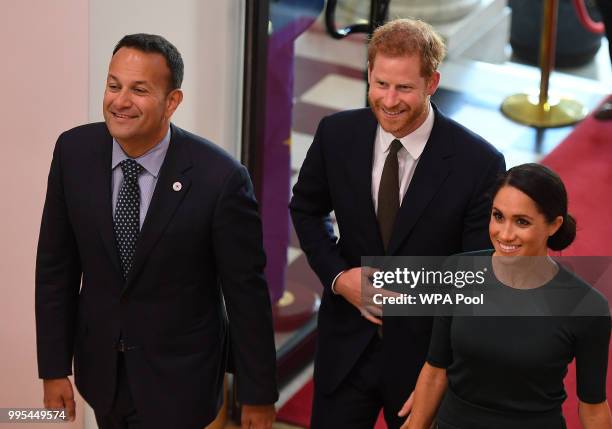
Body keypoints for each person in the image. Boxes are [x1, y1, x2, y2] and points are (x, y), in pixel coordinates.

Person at [35, 34, 278, 429]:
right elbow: (55, 269)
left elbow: (246, 294)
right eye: (114, 86)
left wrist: (257, 394)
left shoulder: (221, 179)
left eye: (139, 90)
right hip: (102, 376)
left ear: (172, 101)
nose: (120, 101)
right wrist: (53, 367)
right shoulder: (72, 153)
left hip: (182, 382)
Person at [289, 18, 505, 428]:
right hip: (346, 348)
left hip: (426, 363)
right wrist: (339, 278)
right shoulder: (337, 134)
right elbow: (305, 209)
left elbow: (477, 273)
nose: (389, 100)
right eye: (380, 83)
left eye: (404, 87)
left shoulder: (479, 163)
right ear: (369, 75)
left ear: (432, 82)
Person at [402, 163, 612, 429]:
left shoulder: (588, 306)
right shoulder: (458, 272)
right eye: (498, 216)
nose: (504, 234)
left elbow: (593, 408)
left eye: (521, 222)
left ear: (554, 225)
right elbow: (435, 369)